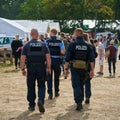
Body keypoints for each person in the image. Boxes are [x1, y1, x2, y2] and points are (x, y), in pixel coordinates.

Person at [20, 29, 51, 113]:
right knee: (41, 85)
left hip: (31, 67)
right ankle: (40, 100)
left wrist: (22, 68)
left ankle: (31, 105)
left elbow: (23, 58)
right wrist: (48, 67)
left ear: (30, 35)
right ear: (37, 35)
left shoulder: (27, 45)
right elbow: (48, 57)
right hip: (41, 67)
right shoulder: (43, 44)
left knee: (31, 86)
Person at [64, 28, 94, 111]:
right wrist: (92, 70)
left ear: (76, 34)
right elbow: (91, 59)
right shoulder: (88, 45)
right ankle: (81, 99)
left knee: (76, 84)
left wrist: (66, 69)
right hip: (85, 67)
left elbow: (67, 58)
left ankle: (79, 102)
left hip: (75, 67)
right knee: (81, 84)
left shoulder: (72, 44)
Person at [46, 29, 65, 99]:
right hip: (57, 60)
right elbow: (63, 51)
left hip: (49, 61)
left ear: (51, 33)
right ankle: (56, 92)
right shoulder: (60, 41)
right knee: (57, 77)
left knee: (49, 78)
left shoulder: (47, 41)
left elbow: (45, 51)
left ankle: (50, 93)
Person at [83, 34, 98, 104]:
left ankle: (80, 96)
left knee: (80, 83)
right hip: (89, 66)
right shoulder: (91, 46)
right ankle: (87, 96)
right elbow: (95, 55)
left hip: (80, 66)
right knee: (87, 81)